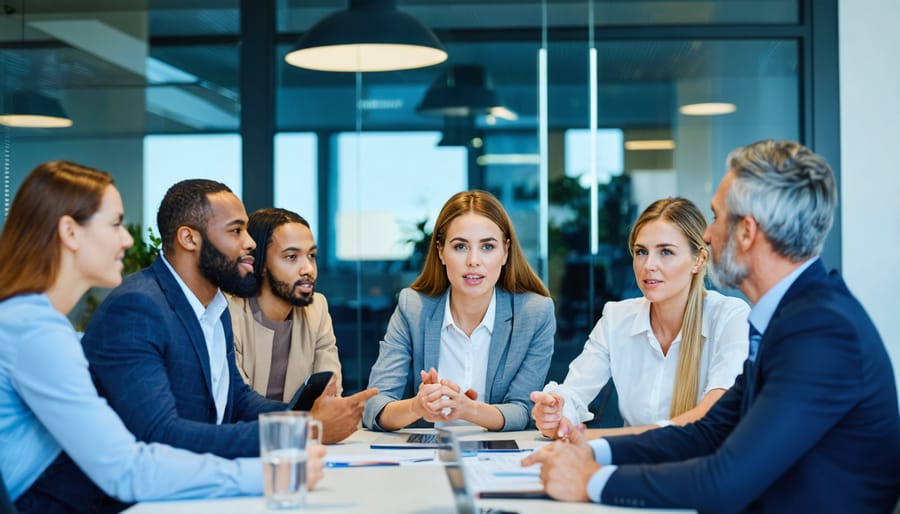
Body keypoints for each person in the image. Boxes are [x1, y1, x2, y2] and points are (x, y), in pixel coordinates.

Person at [524, 140, 900, 513]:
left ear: (747, 231)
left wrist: (589, 480)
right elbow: (709, 430)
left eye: (717, 217)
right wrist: (590, 449)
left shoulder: (820, 331)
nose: (708, 234)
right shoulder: (794, 315)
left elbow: (724, 480)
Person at [0, 162, 324, 514]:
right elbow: (126, 467)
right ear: (70, 232)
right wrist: (270, 471)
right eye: (115, 224)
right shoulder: (35, 330)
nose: (127, 238)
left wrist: (296, 426)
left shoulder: (35, 322)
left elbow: (232, 400)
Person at [81, 179, 286, 458]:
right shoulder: (137, 308)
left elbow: (234, 399)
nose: (250, 242)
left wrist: (304, 414)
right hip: (136, 499)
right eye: (236, 230)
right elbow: (159, 434)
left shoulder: (215, 305)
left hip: (199, 482)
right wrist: (290, 432)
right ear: (189, 238)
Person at [531, 197, 749, 438]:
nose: (648, 265)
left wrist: (600, 438)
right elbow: (573, 394)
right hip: (631, 464)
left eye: (665, 252)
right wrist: (555, 413)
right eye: (641, 252)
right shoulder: (617, 318)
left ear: (698, 260)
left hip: (703, 468)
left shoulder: (730, 318)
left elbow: (713, 416)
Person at [363, 190, 555, 432]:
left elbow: (524, 410)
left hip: (499, 454)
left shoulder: (535, 313)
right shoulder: (412, 307)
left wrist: (468, 409)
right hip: (427, 455)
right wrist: (417, 406)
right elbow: (374, 407)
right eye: (460, 246)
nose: (474, 260)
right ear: (441, 251)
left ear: (505, 252)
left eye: (487, 246)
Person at [228, 207, 378, 443]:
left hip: (306, 449)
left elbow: (330, 398)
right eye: (291, 257)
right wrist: (312, 423)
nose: (308, 269)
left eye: (311, 256)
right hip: (244, 449)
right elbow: (235, 409)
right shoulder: (229, 313)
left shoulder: (316, 309)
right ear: (260, 264)